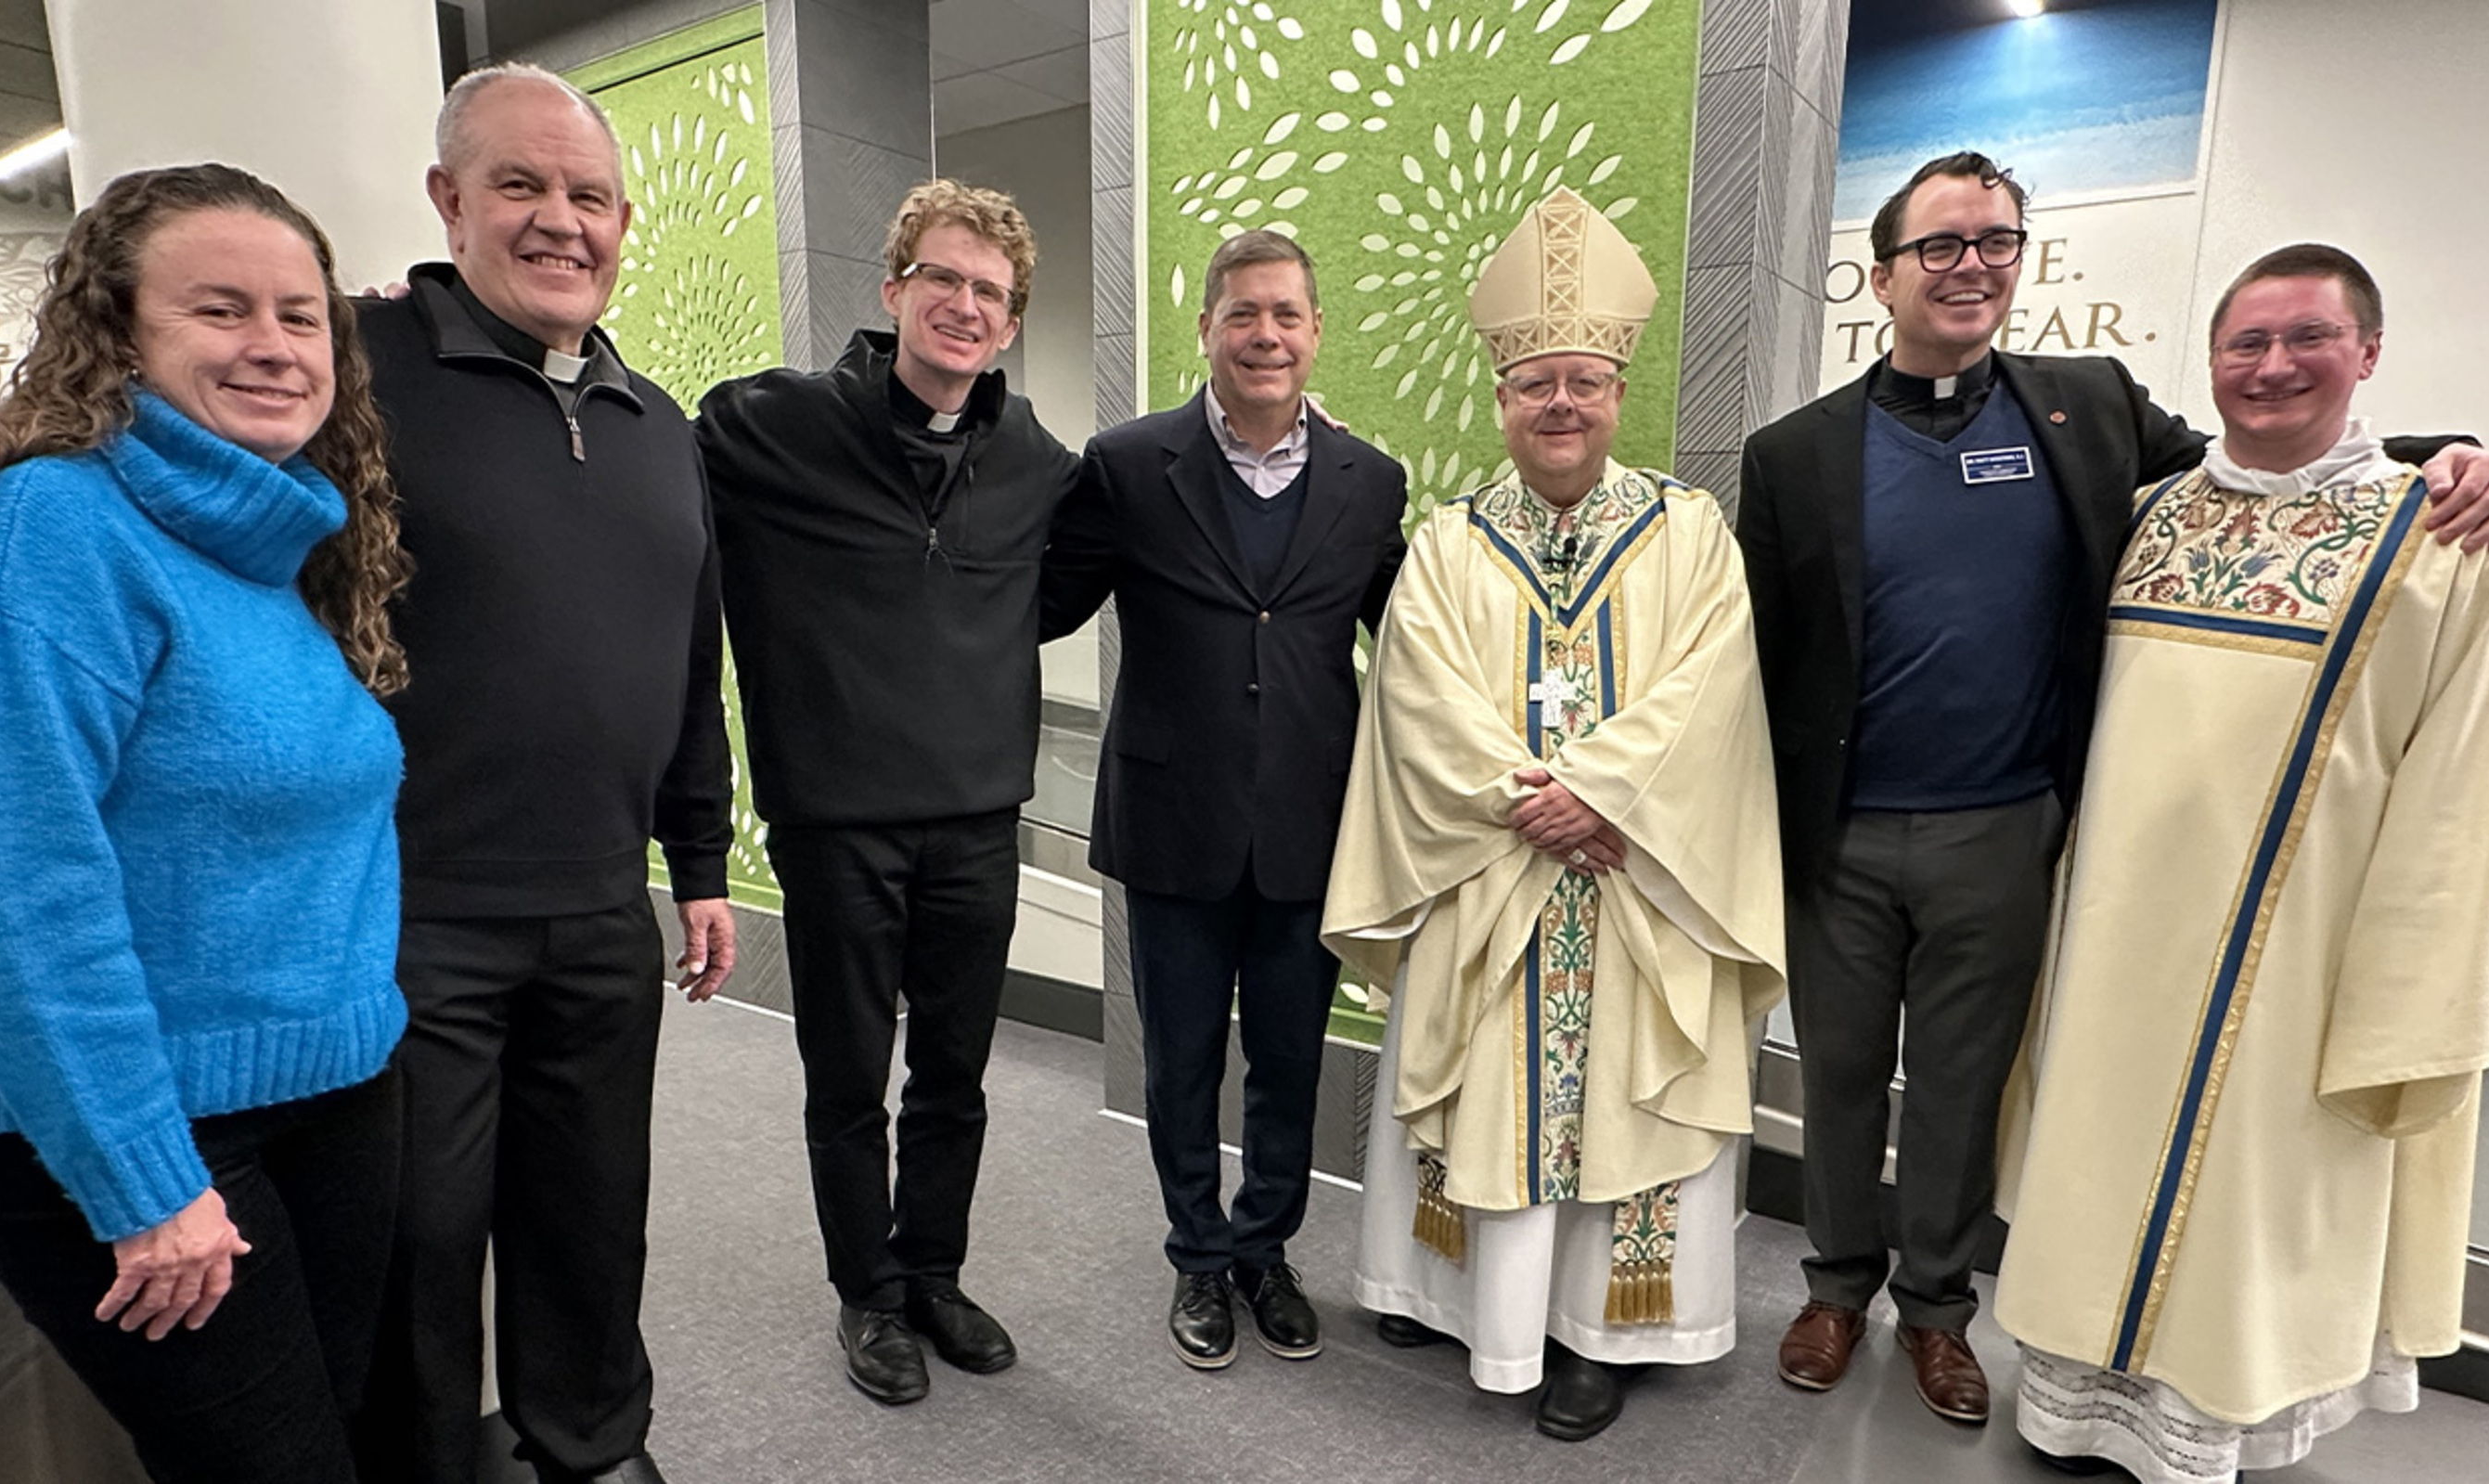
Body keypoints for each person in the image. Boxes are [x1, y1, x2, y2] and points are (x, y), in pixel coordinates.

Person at [1735, 150, 2489, 1426]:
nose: (1970, 265)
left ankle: (1934, 1307)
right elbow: (1765, 653)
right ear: (1880, 276)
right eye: (1939, 245)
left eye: (1995, 240)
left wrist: (2447, 454)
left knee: (1962, 1086)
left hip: (2006, 831)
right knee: (1836, 1075)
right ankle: (1832, 1286)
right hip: (1843, 836)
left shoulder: (2084, 407)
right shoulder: (1793, 451)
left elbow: (2254, 460)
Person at [1992, 244, 2489, 1483]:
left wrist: (2405, 982)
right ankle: (2073, 1405)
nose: (2272, 365)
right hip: (2108, 932)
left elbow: (2463, 785)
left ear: (2367, 353)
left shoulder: (2444, 542)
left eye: (2307, 338)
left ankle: (2202, 1429)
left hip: (2299, 953)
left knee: (2247, 1206)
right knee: (2092, 1171)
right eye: (2246, 342)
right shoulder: (2147, 516)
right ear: (2212, 360)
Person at [0, 162, 411, 1484]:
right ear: (118, 334)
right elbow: (11, 888)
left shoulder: (276, 543)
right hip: (148, 1121)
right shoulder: (51, 529)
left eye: (300, 315)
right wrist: (142, 1177)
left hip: (328, 1090)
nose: (273, 344)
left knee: (333, 1438)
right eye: (220, 309)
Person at [1324, 186, 1787, 1442]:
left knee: (1621, 1095)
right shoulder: (1450, 543)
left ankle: (1594, 1331)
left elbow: (1712, 690)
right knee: (1480, 1076)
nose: (1561, 403)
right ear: (1502, 400)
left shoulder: (1689, 533)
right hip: (1491, 872)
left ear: (1617, 393)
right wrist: (1522, 800)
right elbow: (1417, 697)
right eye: (1536, 384)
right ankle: (1461, 1300)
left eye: (1584, 381)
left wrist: (1600, 796)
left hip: (1637, 874)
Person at [354, 64, 736, 1484]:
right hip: (413, 907)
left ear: (623, 223)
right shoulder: (355, 376)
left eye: (590, 196)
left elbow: (689, 657)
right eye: (520, 184)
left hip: (598, 900)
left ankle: (589, 1440)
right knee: (420, 1233)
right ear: (448, 199)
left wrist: (699, 860)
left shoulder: (657, 421)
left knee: (589, 1207)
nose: (560, 220)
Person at [695, 179, 1077, 1407]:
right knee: (849, 1077)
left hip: (976, 819)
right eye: (943, 279)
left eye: (990, 292)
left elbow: (1068, 582)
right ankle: (866, 1290)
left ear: (1010, 322)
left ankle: (933, 1273)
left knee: (954, 1077)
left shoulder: (1036, 463)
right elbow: (639, 446)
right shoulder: (770, 426)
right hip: (836, 823)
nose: (964, 305)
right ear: (893, 290)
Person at [1038, 229, 1407, 1370]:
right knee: (1183, 1061)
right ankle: (1198, 1256)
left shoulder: (1368, 480)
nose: (1265, 334)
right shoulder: (1126, 464)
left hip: (1310, 823)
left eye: (1286, 314)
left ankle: (1265, 1251)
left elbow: (1418, 638)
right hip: (1172, 821)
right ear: (1205, 329)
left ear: (1315, 333)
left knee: (1290, 1062)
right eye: (1243, 313)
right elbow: (1039, 602)